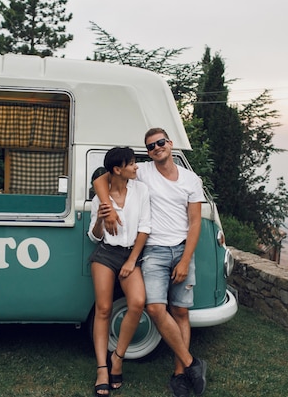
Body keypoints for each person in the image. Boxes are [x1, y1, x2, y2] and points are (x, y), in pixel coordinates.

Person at [93, 128, 208, 397]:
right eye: (151, 146)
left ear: (170, 144)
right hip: (154, 250)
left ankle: (180, 374)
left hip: (182, 250)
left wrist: (186, 260)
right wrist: (106, 207)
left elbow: (195, 223)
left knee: (180, 312)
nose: (157, 148)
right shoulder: (141, 171)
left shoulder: (191, 180)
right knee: (155, 309)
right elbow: (102, 179)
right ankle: (193, 364)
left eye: (160, 143)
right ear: (148, 152)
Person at [88, 147, 151, 397]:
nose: (136, 167)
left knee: (137, 303)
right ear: (117, 169)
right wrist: (101, 219)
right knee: (103, 309)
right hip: (105, 254)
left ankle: (118, 357)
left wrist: (132, 260)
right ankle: (102, 369)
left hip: (130, 255)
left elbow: (145, 227)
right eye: (132, 164)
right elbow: (94, 237)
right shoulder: (99, 200)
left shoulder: (141, 190)